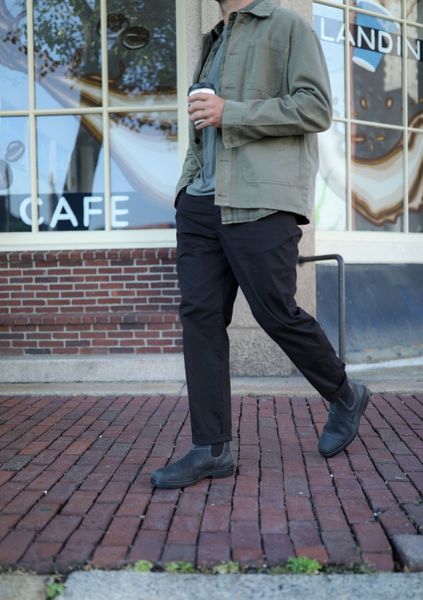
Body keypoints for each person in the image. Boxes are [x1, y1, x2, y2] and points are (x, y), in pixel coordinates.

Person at [151, 0, 370, 489]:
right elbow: (201, 131)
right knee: (201, 320)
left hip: (260, 200)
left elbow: (316, 108)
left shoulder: (286, 26)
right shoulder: (213, 39)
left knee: (275, 312)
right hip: (201, 205)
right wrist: (187, 188)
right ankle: (212, 448)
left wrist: (230, 112)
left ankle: (344, 393)